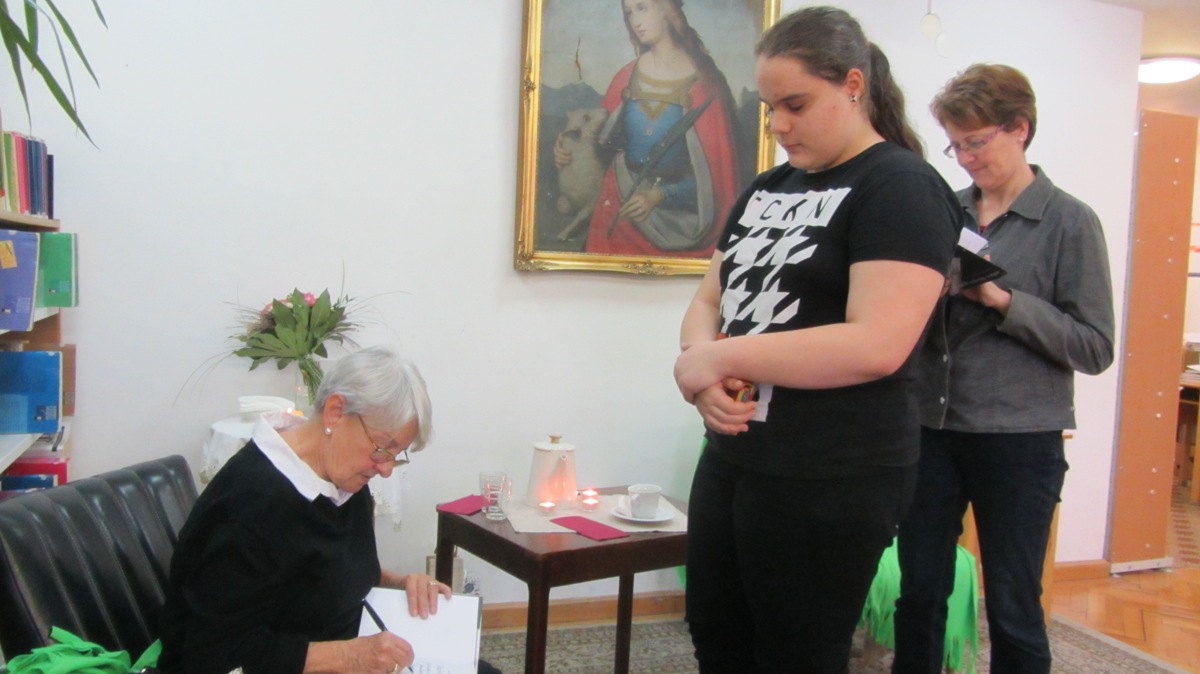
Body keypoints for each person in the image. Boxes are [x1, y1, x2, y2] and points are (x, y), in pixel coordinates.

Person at [671, 7, 960, 672]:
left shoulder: (901, 187)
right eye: (769, 108)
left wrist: (717, 357)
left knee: (797, 653)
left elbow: (876, 344)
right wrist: (703, 370)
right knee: (717, 634)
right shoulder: (768, 187)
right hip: (738, 454)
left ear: (853, 85)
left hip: (833, 470)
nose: (779, 125)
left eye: (795, 105)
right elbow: (710, 298)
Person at [892, 64, 1115, 674]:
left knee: (1015, 606)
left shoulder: (1070, 221)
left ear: (1020, 128)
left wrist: (1001, 300)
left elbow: (1095, 346)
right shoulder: (946, 211)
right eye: (955, 146)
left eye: (976, 141)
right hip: (932, 430)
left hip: (1019, 441)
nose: (965, 159)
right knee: (919, 593)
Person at [158, 346, 501, 674]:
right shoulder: (253, 502)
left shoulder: (341, 480)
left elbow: (320, 572)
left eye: (396, 456)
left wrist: (400, 583)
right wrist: (348, 658)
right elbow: (211, 655)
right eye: (382, 448)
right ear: (336, 411)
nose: (385, 469)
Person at [555, 0, 742, 258]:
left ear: (667, 9)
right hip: (620, 205)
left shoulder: (705, 84)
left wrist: (658, 196)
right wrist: (569, 152)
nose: (635, 21)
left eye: (642, 8)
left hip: (680, 219)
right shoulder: (626, 76)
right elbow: (598, 145)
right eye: (629, 12)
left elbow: (715, 177)